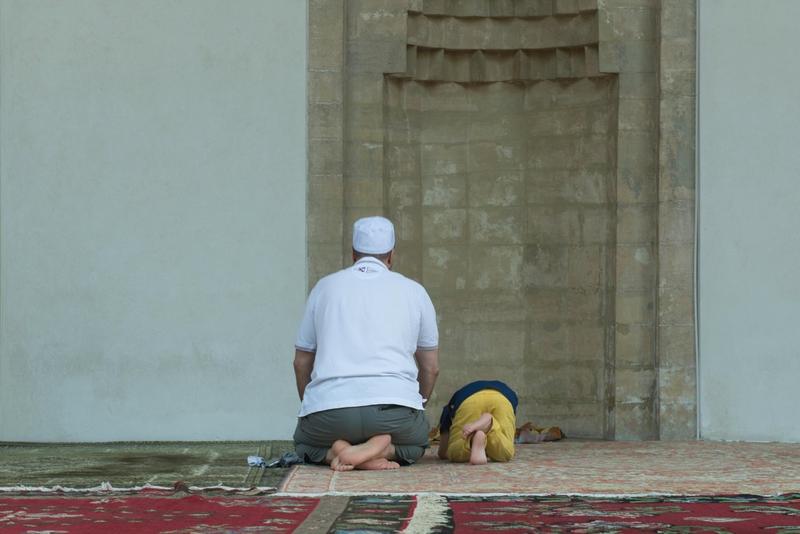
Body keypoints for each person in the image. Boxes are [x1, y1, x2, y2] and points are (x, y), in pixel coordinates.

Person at [292, 216, 440, 471]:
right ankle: (382, 450)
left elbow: (301, 362)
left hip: (331, 414)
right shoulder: (414, 291)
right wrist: (417, 405)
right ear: (391, 255)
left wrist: (314, 406)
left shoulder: (324, 288)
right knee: (416, 445)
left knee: (305, 445)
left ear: (353, 254)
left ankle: (337, 451)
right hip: (395, 414)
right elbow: (431, 368)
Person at [437, 380, 518, 465]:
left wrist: (445, 452)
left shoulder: (454, 401)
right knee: (505, 453)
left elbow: (442, 453)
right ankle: (490, 425)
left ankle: (471, 440)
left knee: (454, 453)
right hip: (503, 400)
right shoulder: (508, 391)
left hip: (469, 400)